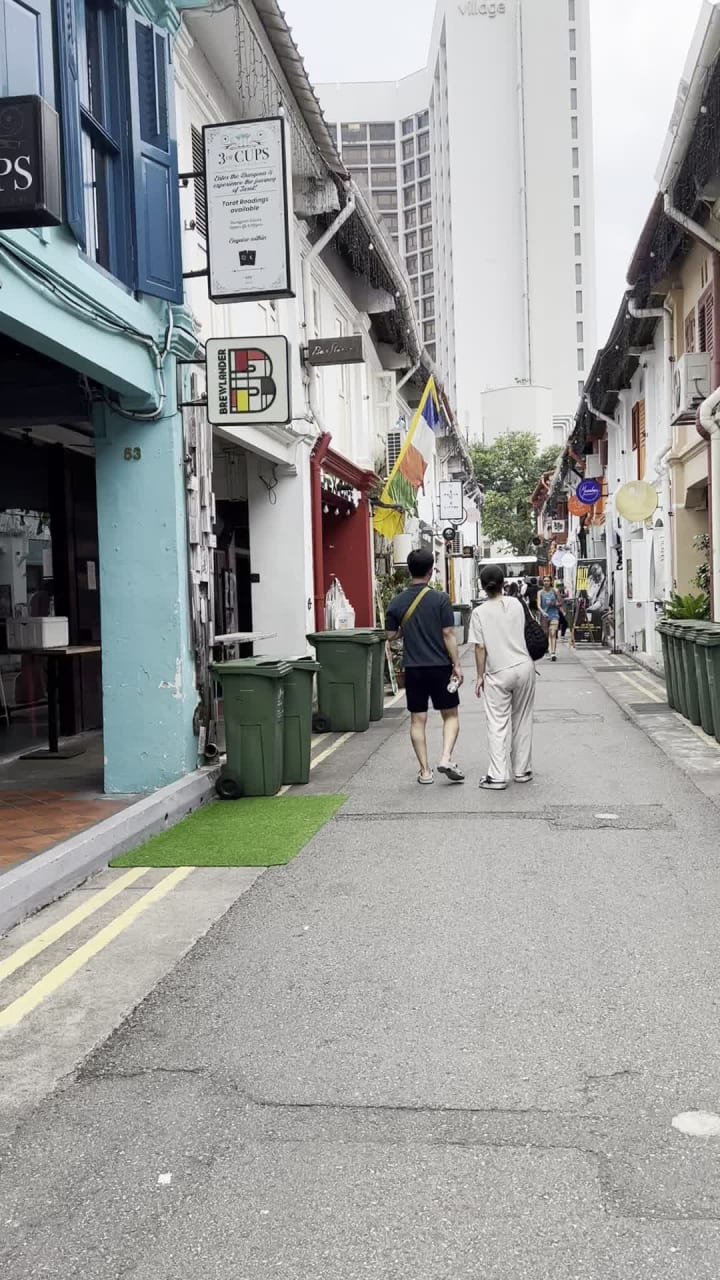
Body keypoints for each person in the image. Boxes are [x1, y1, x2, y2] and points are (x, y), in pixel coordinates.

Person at [385, 548, 465, 786]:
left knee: (417, 720)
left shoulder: (397, 601)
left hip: (414, 669)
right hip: (440, 666)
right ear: (431, 571)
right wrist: (457, 665)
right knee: (450, 715)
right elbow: (448, 633)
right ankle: (445, 758)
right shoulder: (440, 599)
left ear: (409, 570)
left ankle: (425, 771)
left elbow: (390, 635)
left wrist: (404, 630)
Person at [469, 565, 536, 790]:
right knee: (522, 718)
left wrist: (479, 676)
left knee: (497, 723)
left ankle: (497, 776)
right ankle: (522, 770)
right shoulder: (516, 603)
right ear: (503, 583)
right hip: (525, 667)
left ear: (482, 585)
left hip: (498, 672)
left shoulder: (479, 613)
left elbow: (480, 648)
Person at [539, 575, 560, 661]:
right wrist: (543, 612)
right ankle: (547, 650)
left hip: (554, 615)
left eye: (548, 581)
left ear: (551, 582)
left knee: (553, 632)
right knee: (545, 634)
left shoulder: (555, 591)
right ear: (543, 582)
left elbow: (560, 603)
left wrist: (553, 604)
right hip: (544, 617)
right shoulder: (540, 592)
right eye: (545, 581)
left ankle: (553, 653)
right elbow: (538, 605)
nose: (546, 582)